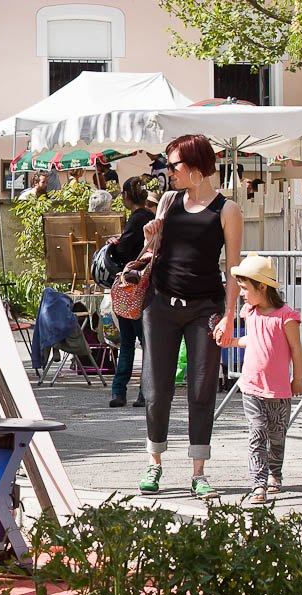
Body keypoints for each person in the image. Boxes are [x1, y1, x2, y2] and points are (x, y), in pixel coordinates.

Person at [139, 134, 242, 499]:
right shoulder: (168, 201)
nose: (168, 172)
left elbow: (233, 269)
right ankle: (154, 462)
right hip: (160, 304)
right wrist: (150, 237)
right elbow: (151, 253)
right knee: (156, 389)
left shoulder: (226, 210)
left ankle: (199, 471)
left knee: (201, 389)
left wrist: (230, 315)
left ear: (196, 167)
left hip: (205, 308)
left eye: (173, 165)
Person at [218, 255, 302, 505]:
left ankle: (275, 473)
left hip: (279, 391)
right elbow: (253, 340)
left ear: (262, 286)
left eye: (245, 288)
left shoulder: (286, 316)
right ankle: (258, 484)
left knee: (277, 437)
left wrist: (298, 379)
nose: (242, 294)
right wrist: (233, 342)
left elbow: (296, 349)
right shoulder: (249, 312)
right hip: (251, 387)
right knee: (257, 434)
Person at [108, 177, 152, 408]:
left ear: (126, 195)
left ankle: (120, 391)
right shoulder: (151, 217)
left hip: (131, 287)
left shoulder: (136, 219)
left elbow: (123, 250)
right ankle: (144, 391)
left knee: (128, 342)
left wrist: (114, 244)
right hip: (147, 286)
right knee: (145, 342)